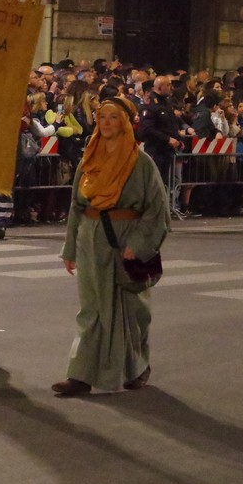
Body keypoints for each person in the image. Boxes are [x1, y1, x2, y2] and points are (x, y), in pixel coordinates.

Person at [55, 97, 168, 396]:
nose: (106, 122)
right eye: (101, 116)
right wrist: (70, 248)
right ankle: (80, 374)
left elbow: (157, 209)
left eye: (113, 117)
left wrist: (139, 243)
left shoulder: (141, 163)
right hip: (90, 238)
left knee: (131, 309)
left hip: (124, 240)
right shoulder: (89, 159)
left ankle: (137, 367)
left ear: (125, 122)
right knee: (91, 308)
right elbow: (76, 205)